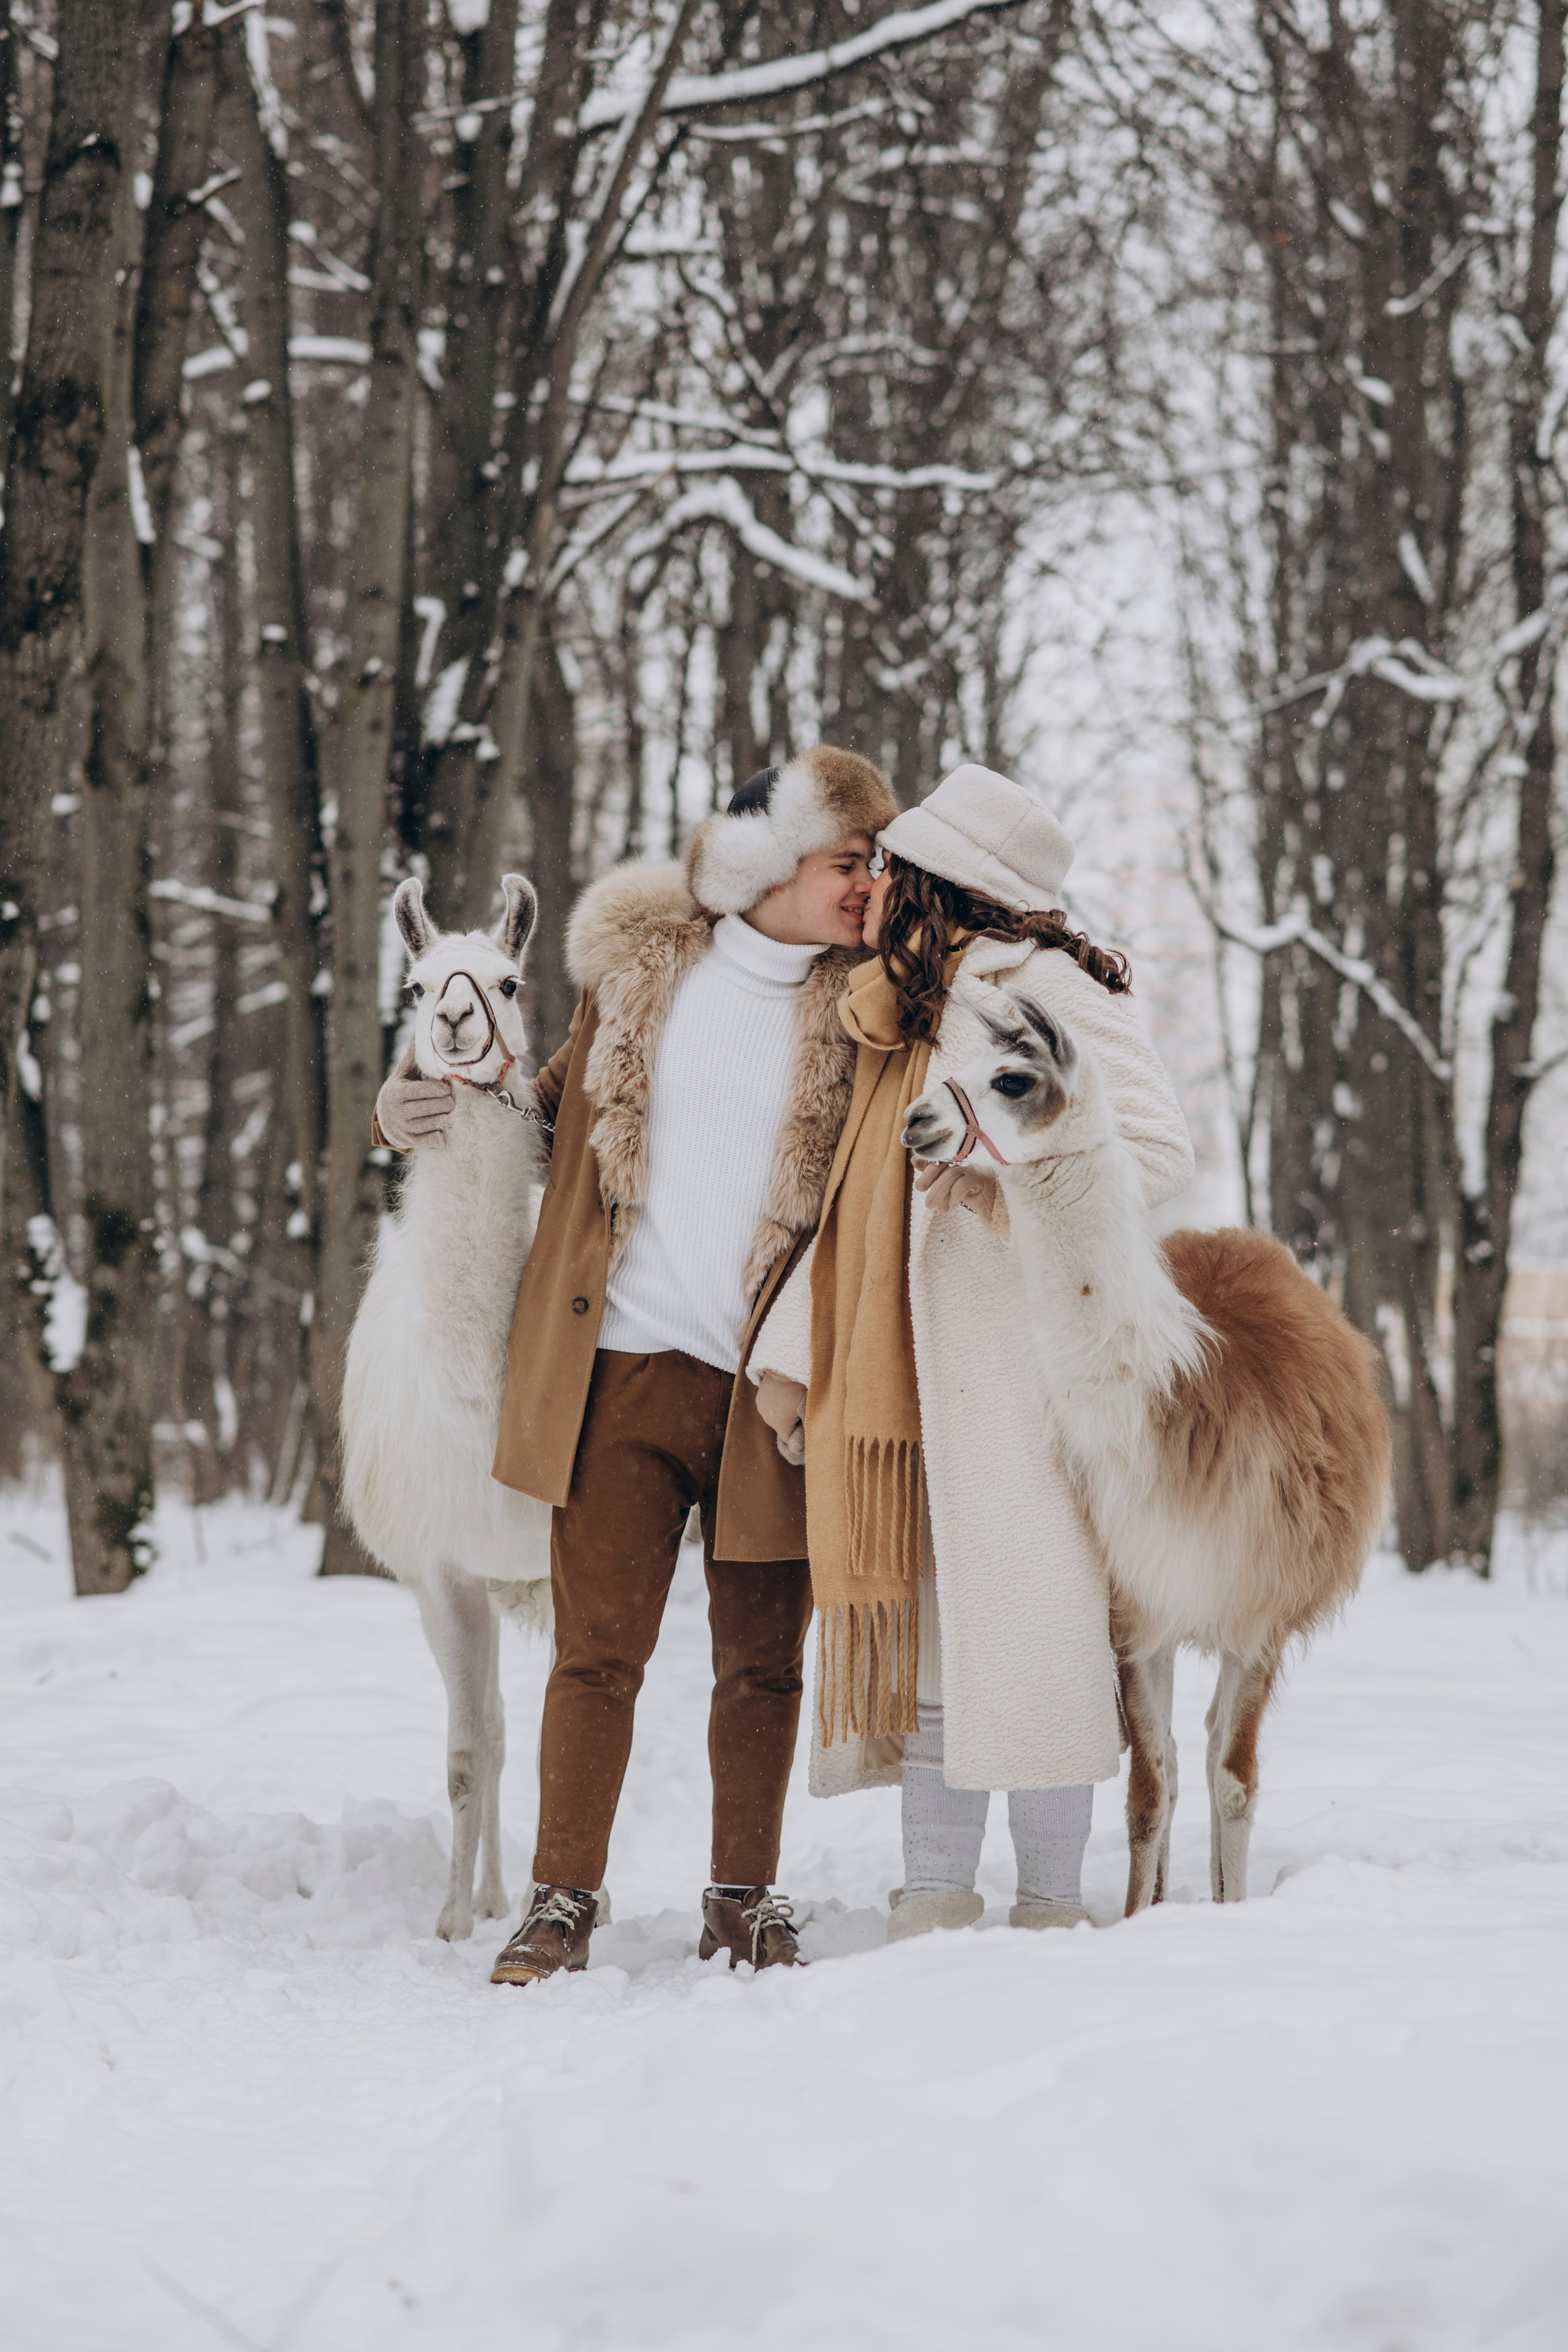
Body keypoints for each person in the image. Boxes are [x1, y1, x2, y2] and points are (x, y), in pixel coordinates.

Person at [375, 749, 898, 1981]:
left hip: (771, 1388)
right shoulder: (645, 977)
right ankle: (560, 1900)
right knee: (595, 1649)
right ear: (774, 866)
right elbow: (535, 1114)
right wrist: (413, 1097)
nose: (867, 883)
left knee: (761, 1658)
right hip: (623, 1368)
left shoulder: (863, 1013)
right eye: (846, 860)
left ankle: (741, 1896)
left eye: (876, 861)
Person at [748, 764, 1195, 1937]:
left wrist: (1009, 1176)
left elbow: (1151, 1142)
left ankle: (1051, 1902)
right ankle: (934, 1897)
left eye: (896, 867)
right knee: (938, 1642)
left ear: (947, 886)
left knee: (1044, 1635)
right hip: (911, 1376)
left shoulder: (1039, 988)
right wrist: (797, 1355)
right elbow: (860, 1205)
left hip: (1024, 1367)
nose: (878, 883)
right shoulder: (912, 1009)